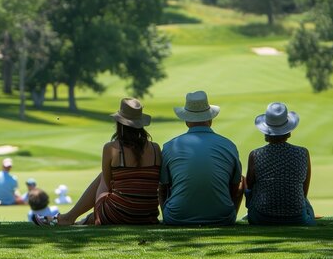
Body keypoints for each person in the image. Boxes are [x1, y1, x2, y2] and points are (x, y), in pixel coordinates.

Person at [34, 98, 161, 226]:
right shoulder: (155, 148)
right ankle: (79, 221)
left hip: (118, 214)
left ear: (120, 124)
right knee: (105, 201)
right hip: (147, 215)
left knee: (103, 178)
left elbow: (107, 184)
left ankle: (69, 218)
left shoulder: (111, 148)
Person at [159, 91, 244, 226]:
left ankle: (170, 215)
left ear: (187, 121)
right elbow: (235, 187)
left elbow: (164, 187)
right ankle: (228, 215)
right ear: (210, 119)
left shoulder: (170, 146)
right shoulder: (229, 145)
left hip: (176, 218)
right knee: (241, 180)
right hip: (222, 218)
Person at [245, 102, 315, 226]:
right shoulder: (303, 153)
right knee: (307, 204)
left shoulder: (255, 155)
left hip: (261, 218)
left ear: (266, 130)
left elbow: (249, 186)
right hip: (297, 218)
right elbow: (304, 192)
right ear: (288, 130)